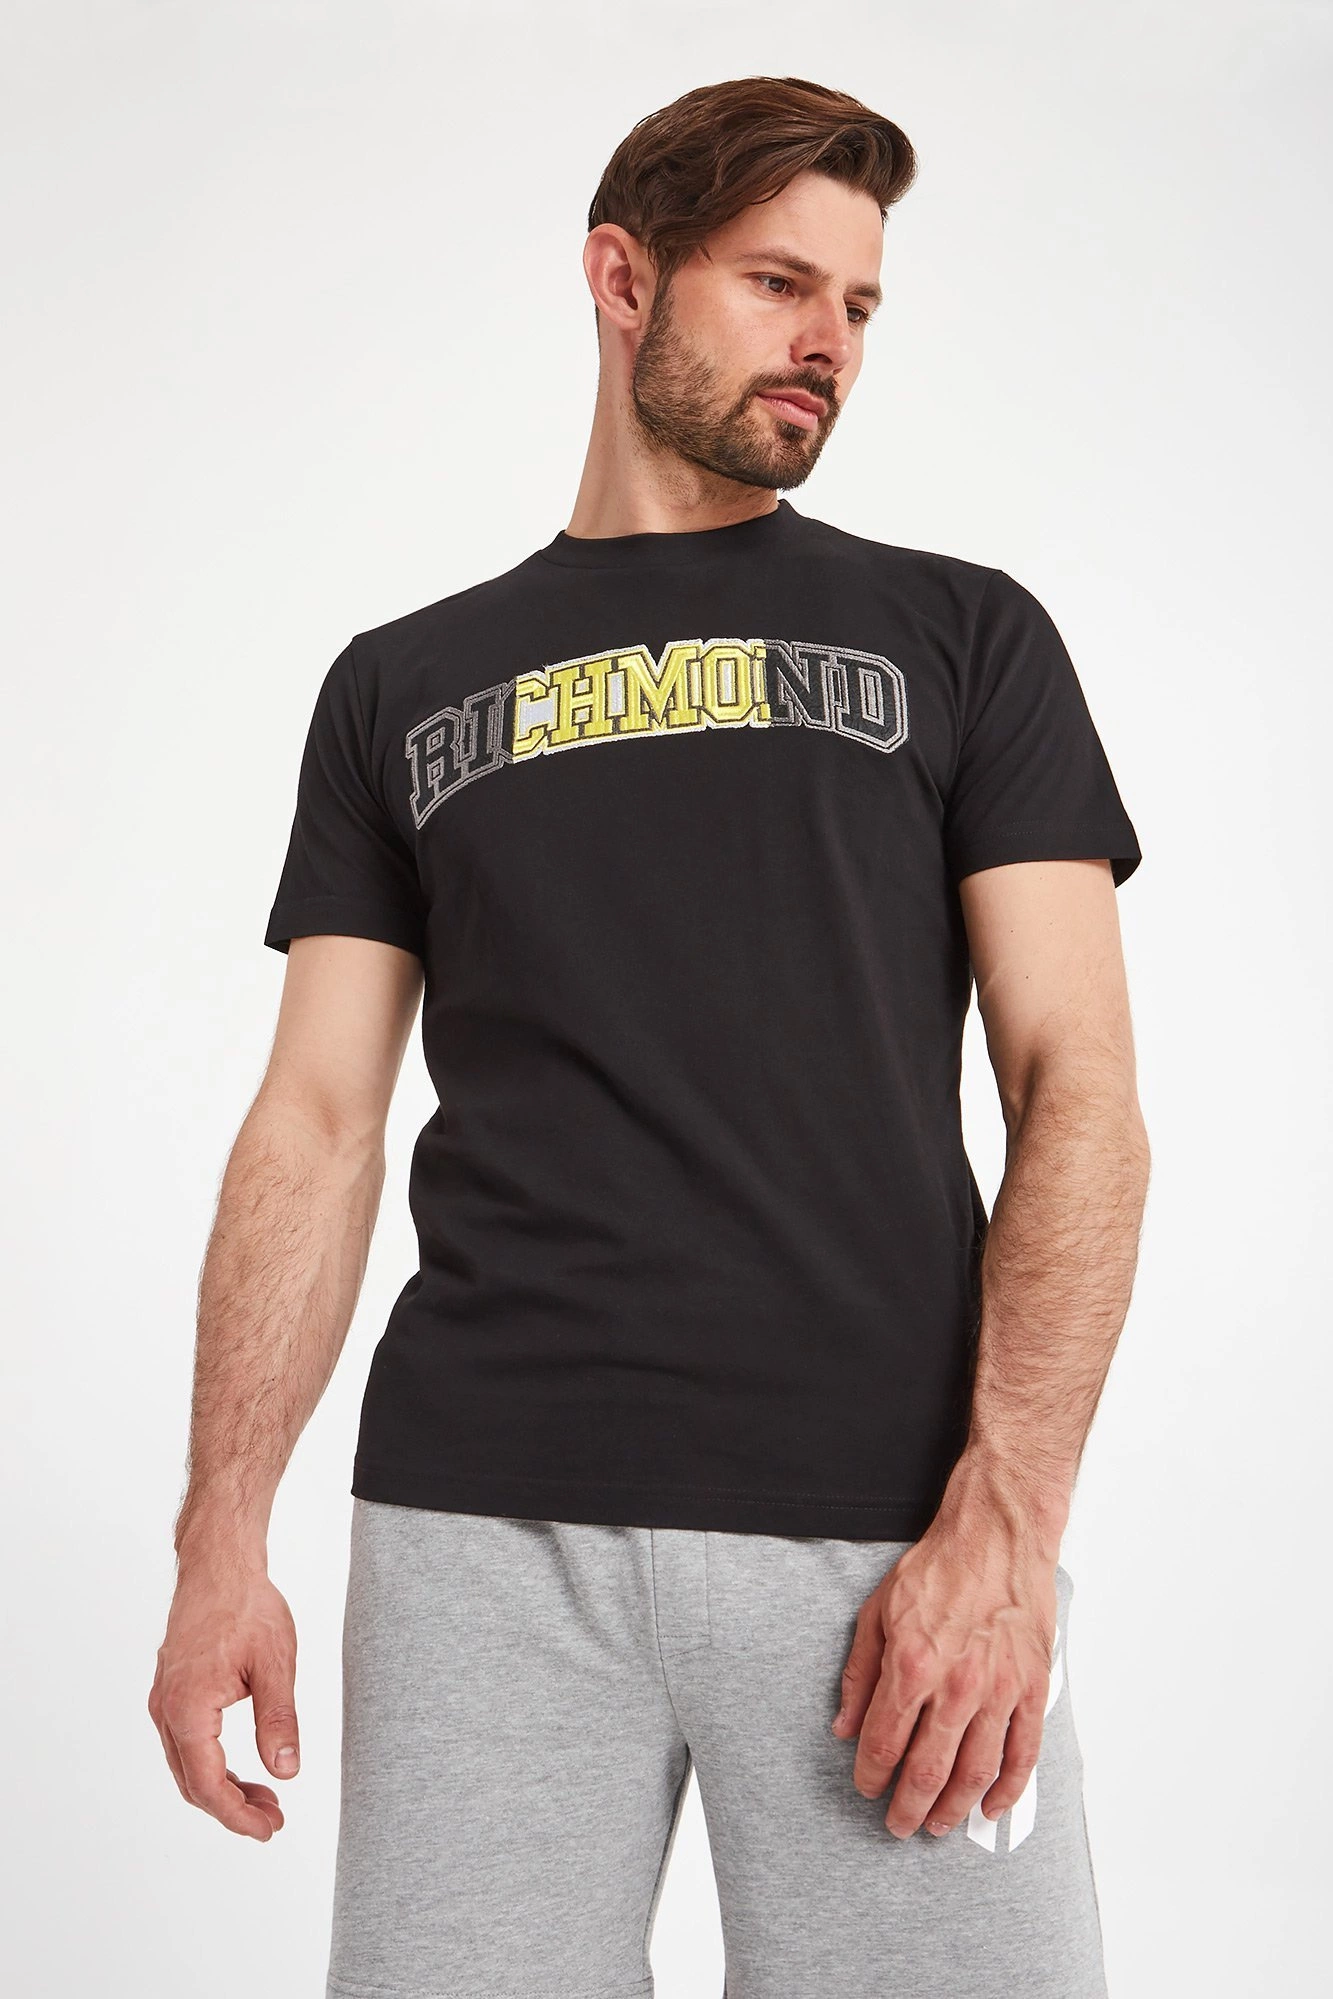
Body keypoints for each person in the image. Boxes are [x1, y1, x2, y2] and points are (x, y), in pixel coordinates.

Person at [148, 73, 1150, 1999]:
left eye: (859, 304)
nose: (827, 340)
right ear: (623, 279)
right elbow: (317, 1119)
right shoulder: (400, 685)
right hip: (479, 1528)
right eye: (778, 283)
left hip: (886, 1537)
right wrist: (219, 1537)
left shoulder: (965, 639)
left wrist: (1008, 1526)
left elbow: (1079, 1094)